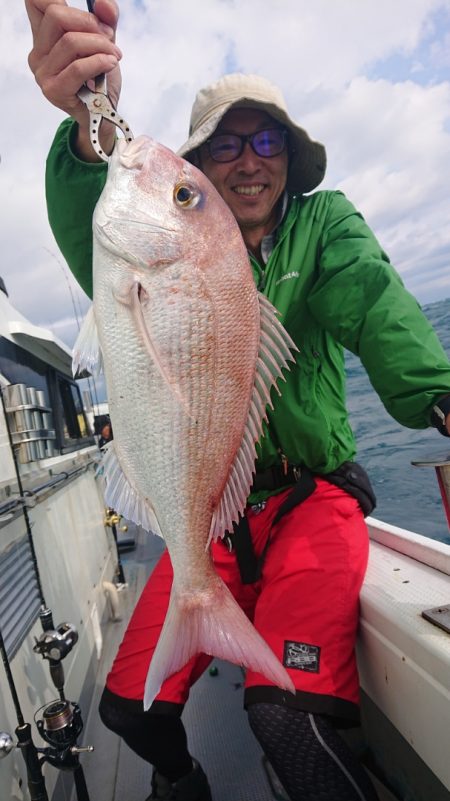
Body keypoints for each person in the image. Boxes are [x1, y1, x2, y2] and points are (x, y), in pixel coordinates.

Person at [25, 2, 450, 800]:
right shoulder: (152, 249)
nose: (250, 160)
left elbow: (379, 306)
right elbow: (100, 218)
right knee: (124, 711)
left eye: (267, 141)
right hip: (208, 509)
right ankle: (182, 778)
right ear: (203, 161)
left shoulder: (324, 228)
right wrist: (88, 131)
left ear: (290, 156)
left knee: (286, 717)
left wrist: (441, 400)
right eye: (226, 142)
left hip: (311, 499)